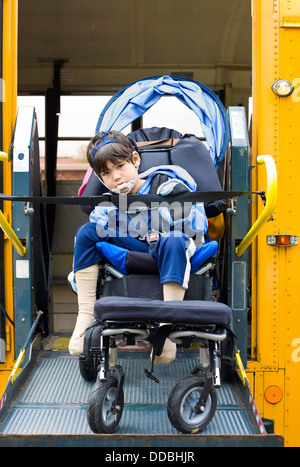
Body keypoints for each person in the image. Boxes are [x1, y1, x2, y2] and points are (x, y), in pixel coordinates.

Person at [69, 130, 208, 363]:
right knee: (87, 232)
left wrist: (180, 207)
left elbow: (199, 227)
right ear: (101, 179)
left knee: (174, 237)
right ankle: (85, 319)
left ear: (135, 159)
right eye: (106, 173)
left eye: (120, 166)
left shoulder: (168, 183)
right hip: (134, 254)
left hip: (173, 251)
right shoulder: (107, 205)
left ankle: (166, 332)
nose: (116, 177)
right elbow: (90, 244)